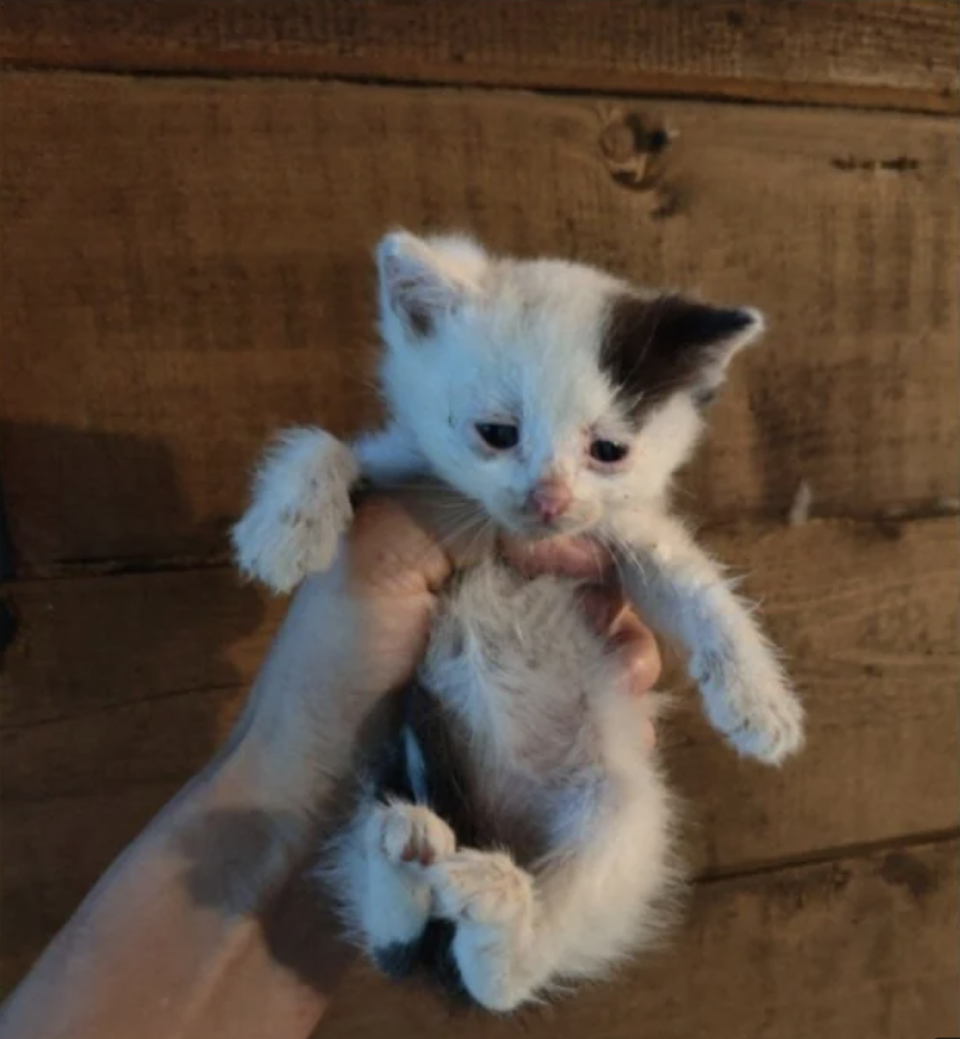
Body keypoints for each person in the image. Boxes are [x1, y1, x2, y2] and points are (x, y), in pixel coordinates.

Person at [0, 497, 661, 1039]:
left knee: (607, 811)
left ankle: (467, 940)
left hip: (482, 765)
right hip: (468, 748)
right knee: (577, 809)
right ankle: (442, 932)